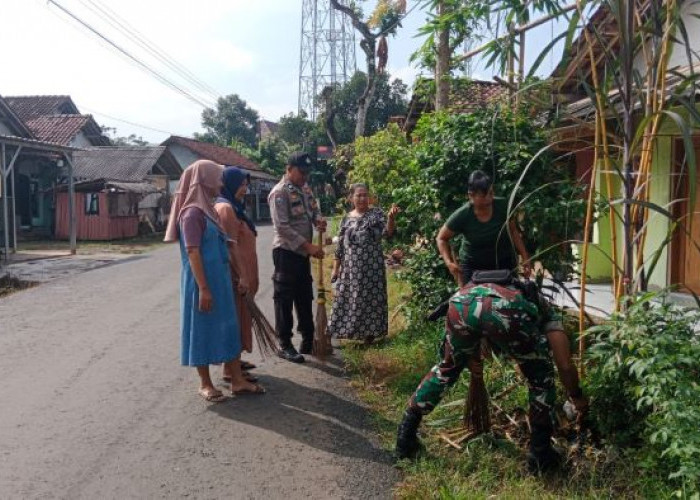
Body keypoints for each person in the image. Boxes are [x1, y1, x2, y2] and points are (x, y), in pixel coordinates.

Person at [395, 277, 588, 473]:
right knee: (540, 380)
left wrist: (469, 356)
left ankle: (405, 436)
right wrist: (576, 396)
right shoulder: (545, 310)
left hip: (462, 303)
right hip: (507, 308)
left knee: (446, 369)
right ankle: (540, 455)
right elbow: (564, 364)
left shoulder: (474, 285)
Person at [164, 160, 241, 403]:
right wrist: (204, 288)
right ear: (205, 179)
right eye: (217, 178)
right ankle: (205, 383)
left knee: (227, 325)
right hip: (202, 283)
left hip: (219, 279)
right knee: (202, 329)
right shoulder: (191, 213)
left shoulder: (209, 210)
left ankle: (236, 378)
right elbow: (193, 252)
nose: (221, 183)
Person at [268, 152, 327, 363]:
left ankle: (308, 338)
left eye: (307, 173)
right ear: (289, 168)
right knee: (284, 298)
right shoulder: (279, 193)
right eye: (302, 172)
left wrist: (319, 221)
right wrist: (308, 246)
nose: (305, 176)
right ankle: (284, 344)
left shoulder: (305, 189)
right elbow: (282, 227)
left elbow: (314, 209)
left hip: (302, 254)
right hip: (286, 252)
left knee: (304, 295)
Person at [214, 166, 265, 395]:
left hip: (244, 276)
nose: (245, 189)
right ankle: (231, 373)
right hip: (237, 279)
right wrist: (242, 275)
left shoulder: (236, 208)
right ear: (230, 184)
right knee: (236, 322)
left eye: (247, 185)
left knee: (242, 319)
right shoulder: (226, 209)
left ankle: (233, 366)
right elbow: (229, 246)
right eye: (242, 184)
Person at [328, 183, 399, 344]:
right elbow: (340, 246)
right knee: (347, 299)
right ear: (351, 198)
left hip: (372, 268)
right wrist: (335, 268)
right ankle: (344, 331)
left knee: (371, 301)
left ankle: (369, 335)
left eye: (365, 195)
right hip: (350, 269)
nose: (362, 198)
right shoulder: (346, 219)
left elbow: (388, 234)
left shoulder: (377, 214)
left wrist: (391, 218)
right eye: (358, 195)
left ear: (369, 197)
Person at [437, 170, 532, 286]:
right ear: (470, 195)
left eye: (491, 193)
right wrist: (449, 263)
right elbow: (441, 238)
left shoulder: (503, 206)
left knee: (508, 299)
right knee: (472, 300)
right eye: (484, 195)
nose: (489, 198)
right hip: (473, 266)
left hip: (501, 262)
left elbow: (513, 232)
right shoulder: (463, 215)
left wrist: (525, 257)